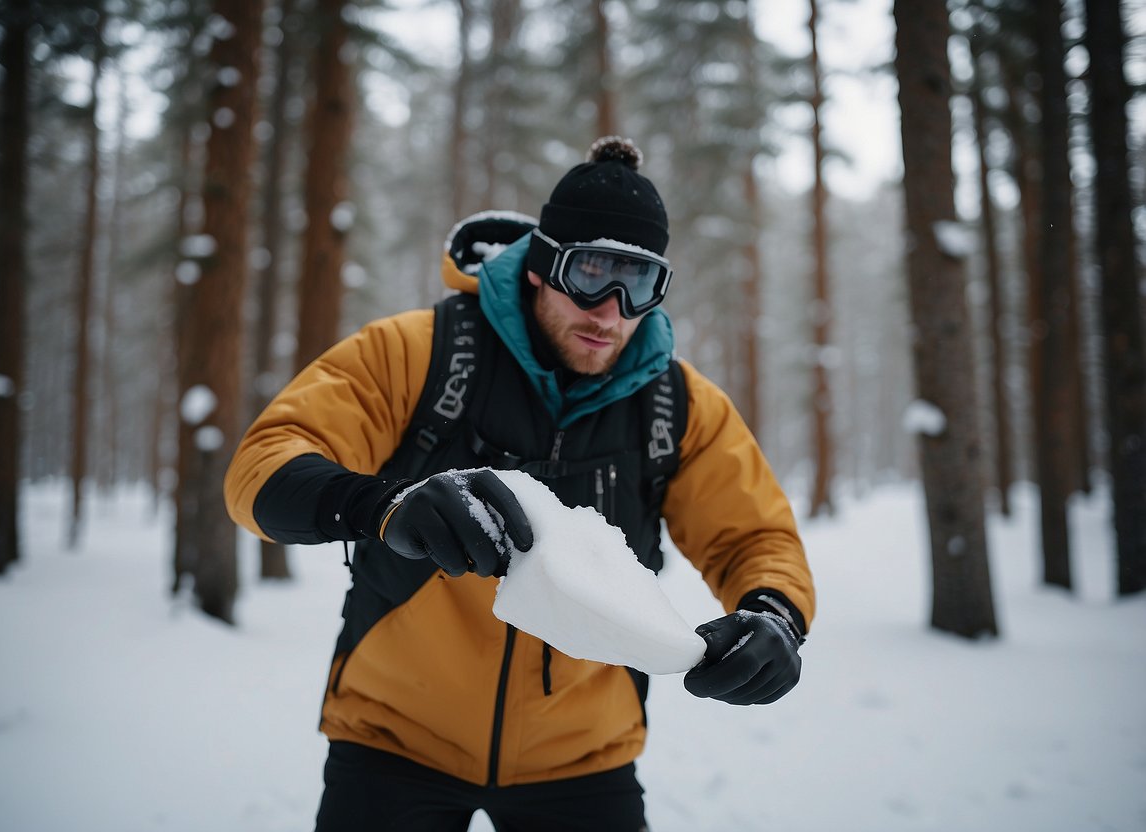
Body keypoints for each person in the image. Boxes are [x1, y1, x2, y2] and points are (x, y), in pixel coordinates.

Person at [224, 136, 815, 832]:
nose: (610, 311)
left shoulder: (677, 405)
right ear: (538, 267)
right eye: (590, 273)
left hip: (581, 759)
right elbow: (264, 465)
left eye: (640, 283)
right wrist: (384, 506)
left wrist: (774, 615)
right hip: (392, 741)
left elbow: (753, 535)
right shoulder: (418, 354)